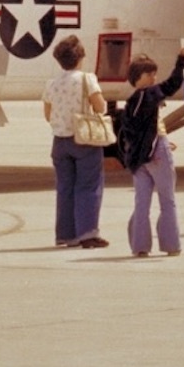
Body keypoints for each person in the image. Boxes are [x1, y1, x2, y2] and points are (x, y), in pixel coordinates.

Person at [120, 48, 184, 257]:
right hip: (158, 151)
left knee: (142, 203)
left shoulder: (131, 101)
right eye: (149, 74)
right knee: (167, 200)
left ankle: (140, 246)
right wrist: (181, 60)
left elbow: (131, 132)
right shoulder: (149, 94)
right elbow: (173, 83)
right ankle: (171, 244)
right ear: (139, 78)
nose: (154, 77)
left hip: (138, 157)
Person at [42, 35, 108, 249]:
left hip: (60, 141)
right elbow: (99, 107)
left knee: (65, 188)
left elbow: (47, 113)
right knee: (88, 185)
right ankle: (87, 233)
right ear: (80, 58)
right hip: (83, 139)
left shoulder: (52, 83)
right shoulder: (87, 79)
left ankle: (65, 234)